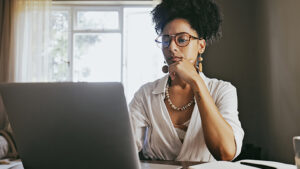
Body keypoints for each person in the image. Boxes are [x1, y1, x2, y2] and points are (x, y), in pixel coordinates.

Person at [129, 0, 244, 162]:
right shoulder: (146, 94)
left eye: (182, 40)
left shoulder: (223, 90)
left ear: (201, 46)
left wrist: (196, 82)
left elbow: (225, 152)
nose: (171, 48)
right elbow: (124, 148)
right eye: (166, 40)